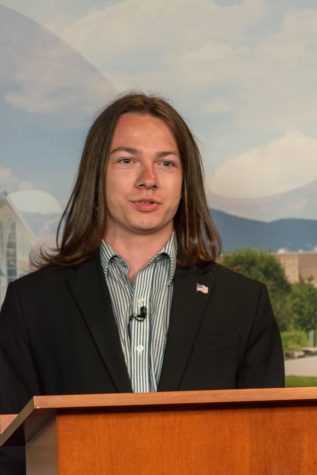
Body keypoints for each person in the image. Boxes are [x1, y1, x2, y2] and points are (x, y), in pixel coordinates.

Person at [0, 92, 284, 473]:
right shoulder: (31, 304)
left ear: (185, 180)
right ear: (96, 173)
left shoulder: (243, 305)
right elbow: (12, 453)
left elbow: (269, 448)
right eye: (127, 160)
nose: (147, 179)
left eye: (166, 162)